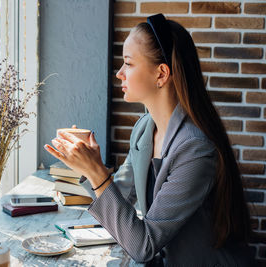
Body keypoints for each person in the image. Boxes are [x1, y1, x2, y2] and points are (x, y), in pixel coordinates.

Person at [44, 13, 255, 266]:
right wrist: (88, 168)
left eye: (129, 64)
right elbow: (122, 196)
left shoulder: (195, 149)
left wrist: (96, 172)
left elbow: (143, 245)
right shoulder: (145, 129)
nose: (120, 73)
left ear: (161, 74)